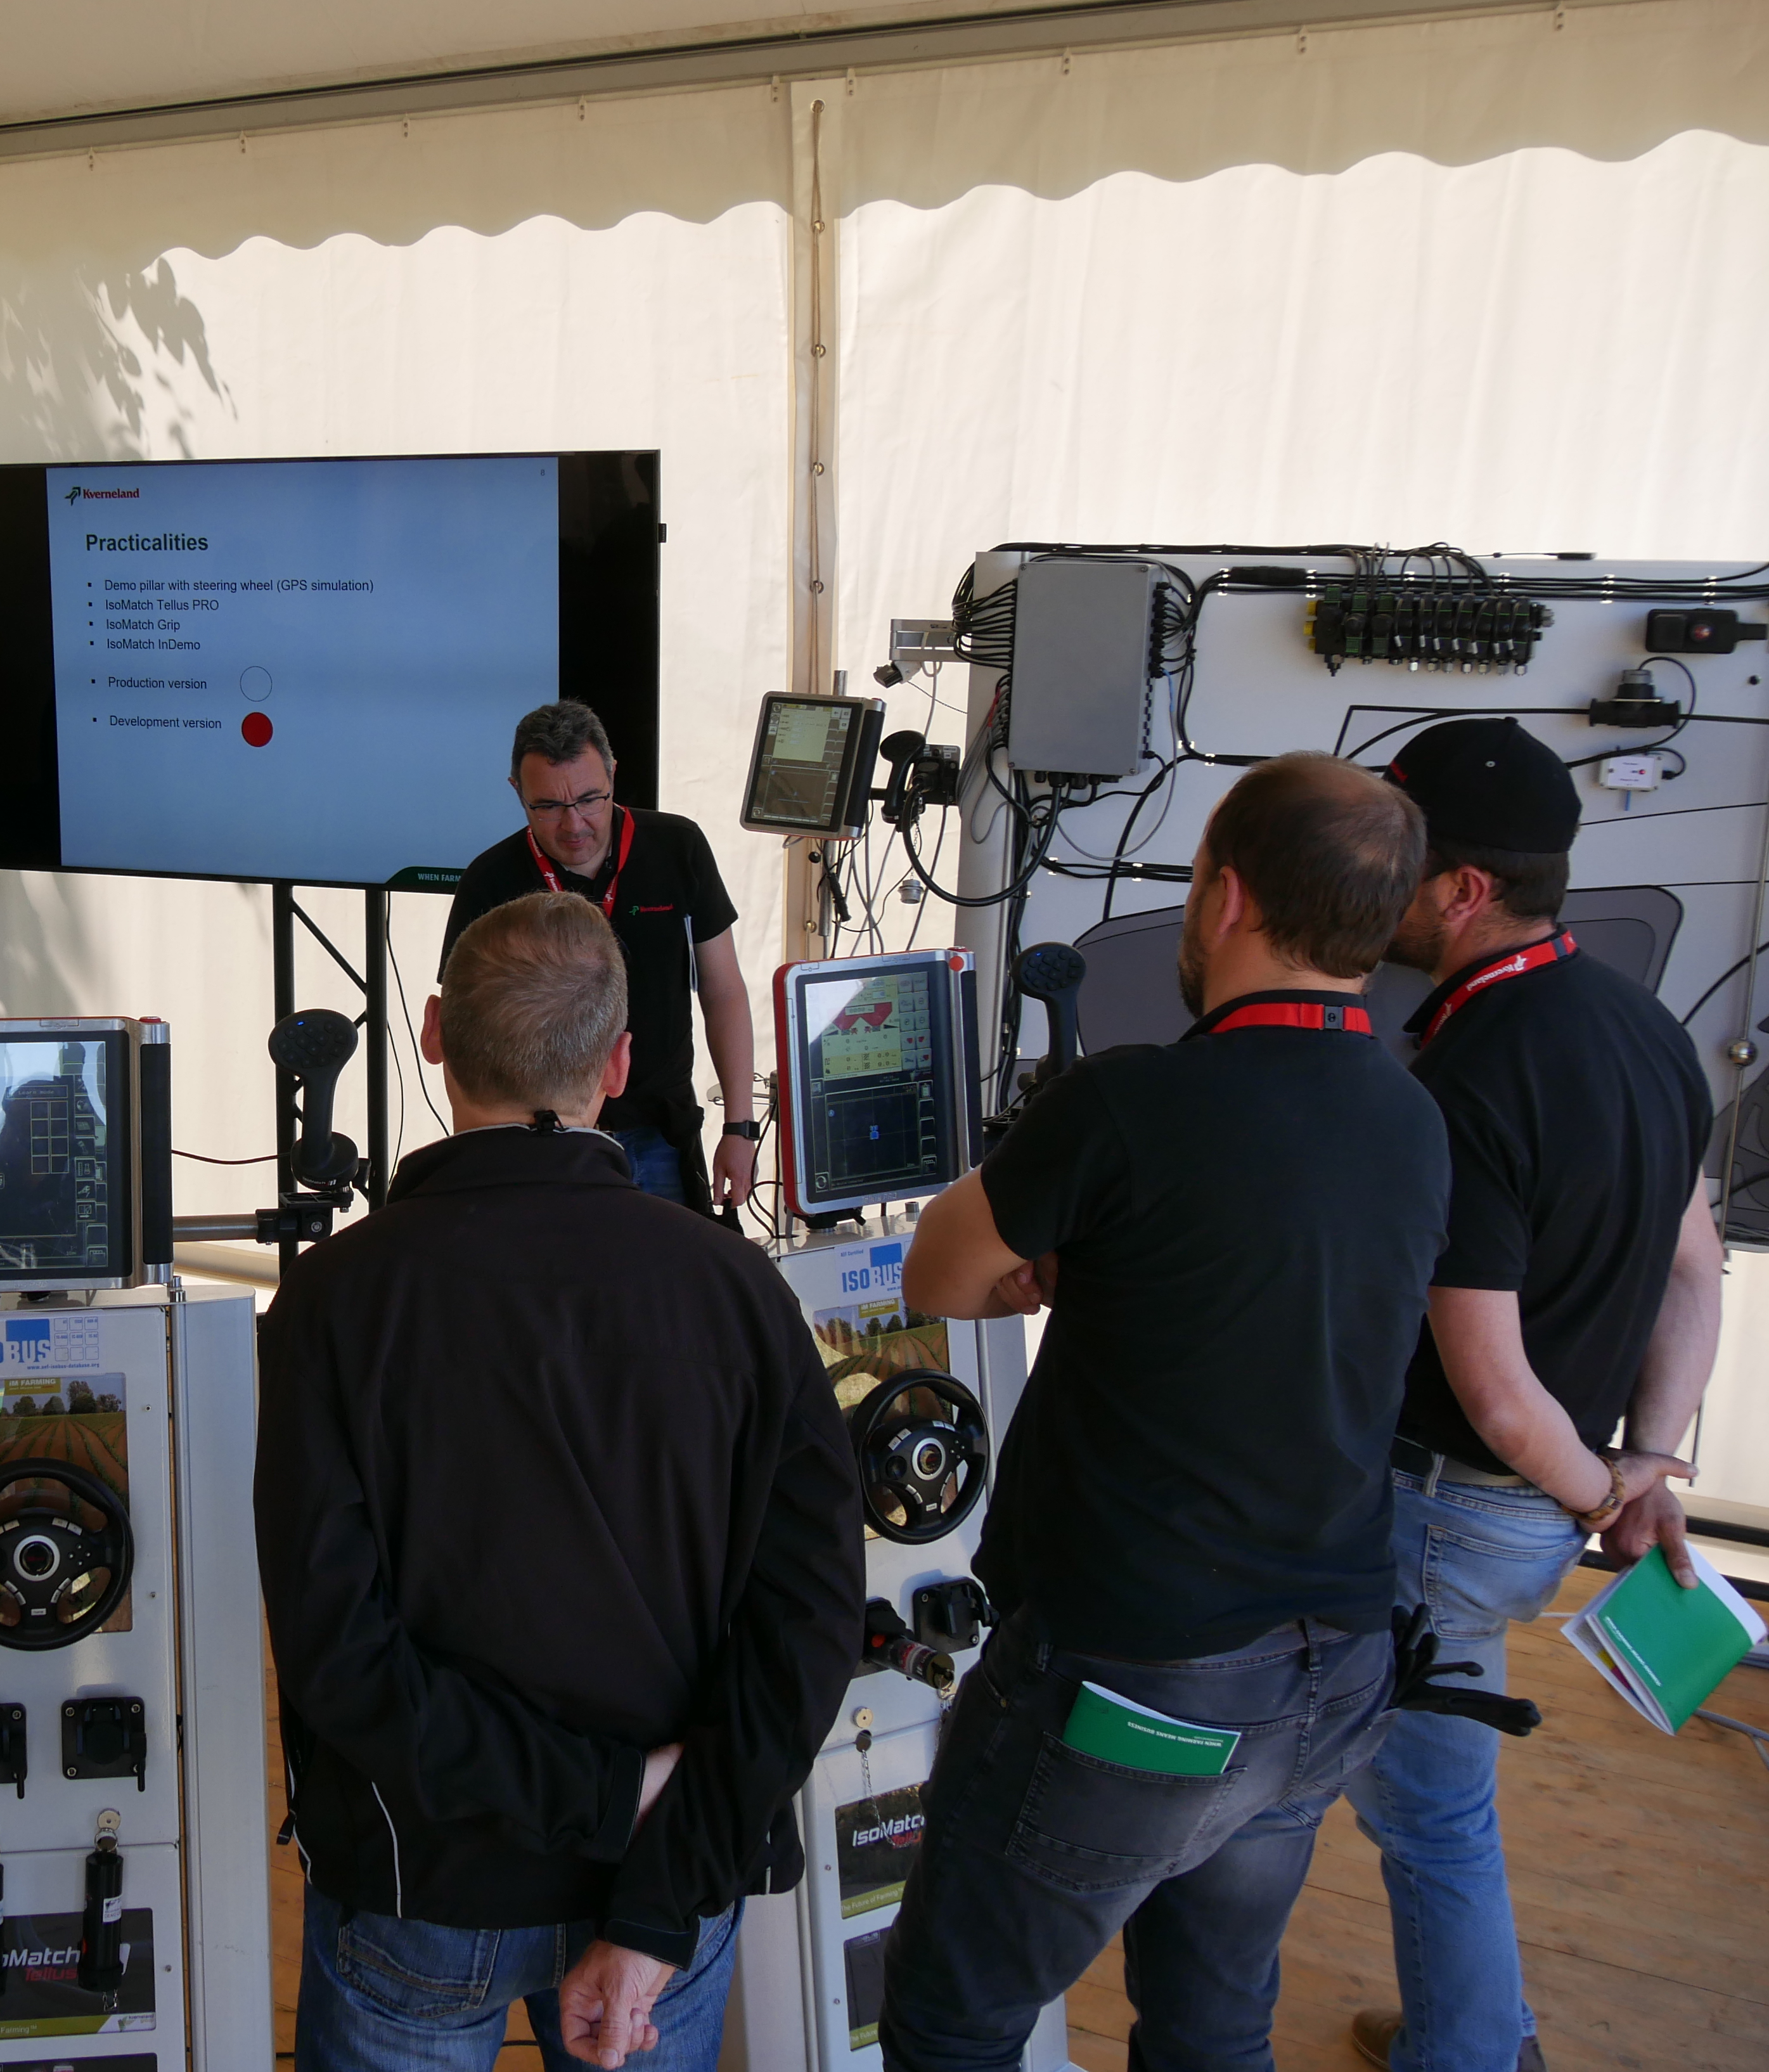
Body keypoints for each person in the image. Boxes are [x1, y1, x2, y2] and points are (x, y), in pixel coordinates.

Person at [878, 753, 1450, 2072]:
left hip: (1140, 1673)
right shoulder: (1413, 1118)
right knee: (1212, 2024)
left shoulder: (1128, 1100)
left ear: (1225, 895)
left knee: (953, 2020)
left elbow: (938, 1274)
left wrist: (1060, 1242)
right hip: (1331, 1667)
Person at [255, 891, 864, 2072]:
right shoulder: (737, 1289)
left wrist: (604, 1794)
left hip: (423, 1882)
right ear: (621, 1063)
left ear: (434, 1031)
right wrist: (655, 1872)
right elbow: (809, 1625)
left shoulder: (331, 1300)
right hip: (666, 1871)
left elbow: (338, 1655)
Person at [1343, 719, 1716, 2072]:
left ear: (1461, 889)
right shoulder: (1641, 1022)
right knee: (1441, 1801)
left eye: (1392, 856)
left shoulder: (1472, 1076)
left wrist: (1603, 1489)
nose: (1366, 881)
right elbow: (1694, 1267)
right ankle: (1475, 2025)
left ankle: (1472, 2051)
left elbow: (1494, 1390)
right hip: (1527, 1502)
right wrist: (1646, 1459)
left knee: (1428, 1814)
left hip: (1457, 1503)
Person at [442, 701, 757, 1214]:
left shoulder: (677, 848)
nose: (574, 825)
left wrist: (740, 1127)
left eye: (590, 799)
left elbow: (723, 992)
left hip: (660, 1130)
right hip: (538, 1143)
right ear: (517, 792)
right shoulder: (491, 880)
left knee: (670, 1265)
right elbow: (462, 1030)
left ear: (613, 774)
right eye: (547, 806)